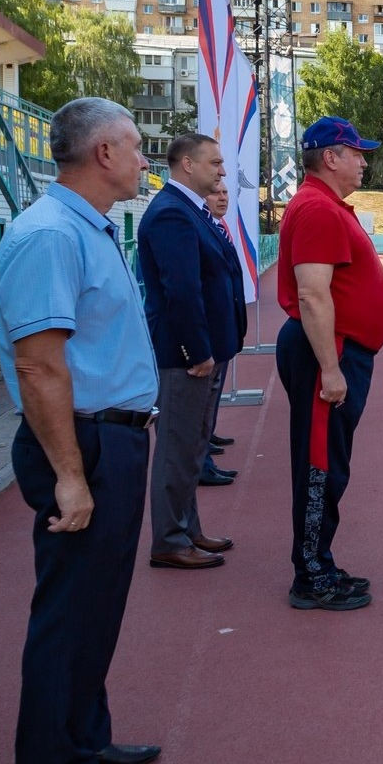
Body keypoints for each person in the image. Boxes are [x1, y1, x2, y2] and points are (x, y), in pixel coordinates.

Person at [0, 97, 160, 764]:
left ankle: (85, 737)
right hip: (83, 442)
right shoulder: (50, 236)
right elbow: (38, 366)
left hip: (110, 436)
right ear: (103, 154)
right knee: (69, 608)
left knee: (97, 605)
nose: (143, 158)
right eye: (135, 146)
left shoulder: (86, 229)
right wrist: (69, 474)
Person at [275, 116, 383, 611]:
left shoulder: (324, 206)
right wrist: (331, 368)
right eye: (357, 153)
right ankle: (312, 574)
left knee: (329, 462)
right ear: (331, 157)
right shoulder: (318, 210)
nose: (364, 161)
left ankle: (318, 558)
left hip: (336, 348)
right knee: (321, 465)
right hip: (329, 349)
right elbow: (312, 294)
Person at [136, 133, 238, 571]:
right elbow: (181, 290)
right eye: (214, 163)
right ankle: (170, 540)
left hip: (202, 351)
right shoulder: (172, 215)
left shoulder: (187, 211)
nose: (221, 171)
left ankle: (187, 527)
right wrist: (196, 351)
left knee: (192, 445)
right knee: (177, 447)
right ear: (187, 165)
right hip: (186, 357)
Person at [200, 183, 244, 483]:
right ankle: (201, 461)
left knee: (212, 394)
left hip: (223, 328)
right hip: (209, 332)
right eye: (217, 193)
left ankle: (207, 441)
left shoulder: (219, 227)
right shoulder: (200, 227)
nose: (223, 198)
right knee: (202, 399)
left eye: (226, 194)